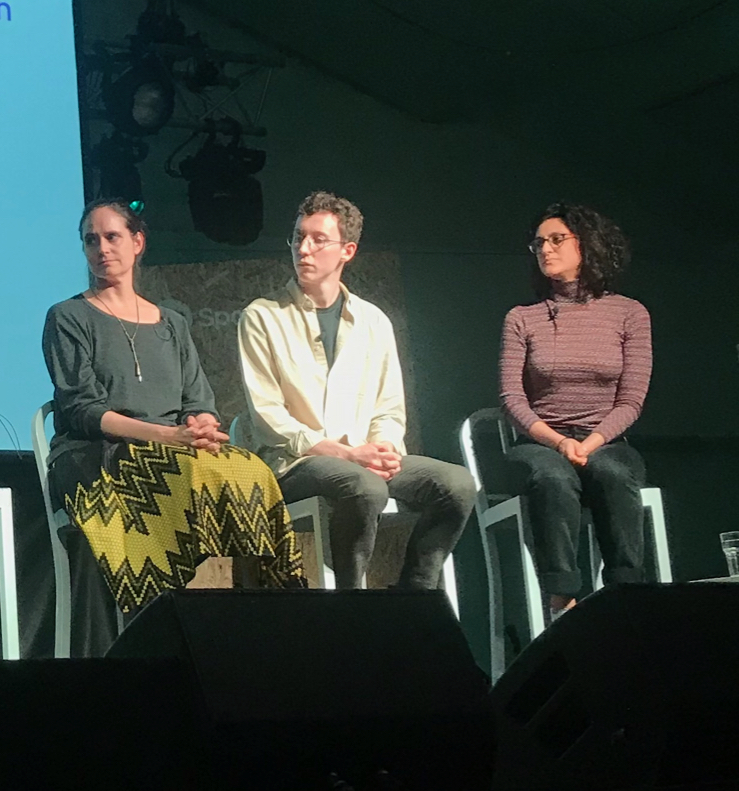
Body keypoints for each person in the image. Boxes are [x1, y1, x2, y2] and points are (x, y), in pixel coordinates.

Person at [43, 199, 303, 655]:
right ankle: (138, 651)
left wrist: (201, 425)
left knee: (252, 475)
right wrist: (169, 435)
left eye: (112, 237)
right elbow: (84, 411)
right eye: (91, 240)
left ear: (138, 242)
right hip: (93, 455)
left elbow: (197, 401)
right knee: (173, 482)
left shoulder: (173, 324)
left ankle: (274, 634)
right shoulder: (69, 317)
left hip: (172, 452)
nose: (101, 248)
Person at [239, 191, 475, 591]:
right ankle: (353, 599)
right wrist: (348, 453)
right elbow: (268, 417)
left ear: (347, 250)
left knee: (456, 486)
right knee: (362, 486)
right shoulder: (262, 316)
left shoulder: (373, 321)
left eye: (317, 239)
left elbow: (388, 408)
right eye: (298, 237)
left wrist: (382, 449)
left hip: (364, 460)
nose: (304, 249)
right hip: (295, 463)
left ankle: (416, 590)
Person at [500, 202, 651, 619]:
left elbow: (631, 400)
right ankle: (562, 601)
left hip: (606, 439)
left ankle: (627, 595)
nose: (545, 249)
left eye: (556, 239)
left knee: (612, 471)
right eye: (538, 244)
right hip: (541, 442)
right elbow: (512, 400)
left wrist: (591, 442)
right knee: (551, 476)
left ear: (586, 244)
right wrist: (561, 442)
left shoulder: (629, 313)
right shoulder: (522, 318)